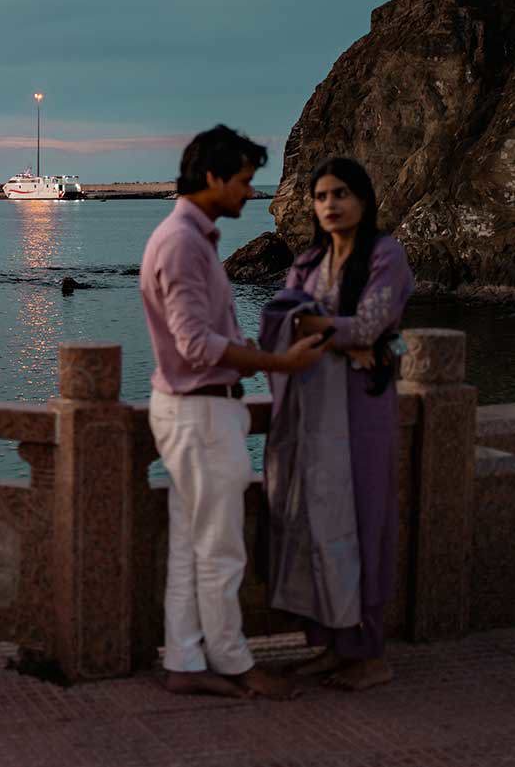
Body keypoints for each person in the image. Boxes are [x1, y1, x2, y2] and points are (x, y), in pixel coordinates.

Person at [139, 125, 327, 700]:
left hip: (190, 409)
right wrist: (280, 362)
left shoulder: (191, 239)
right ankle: (234, 662)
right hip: (199, 411)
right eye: (245, 181)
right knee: (221, 547)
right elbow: (197, 346)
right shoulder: (182, 244)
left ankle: (186, 661)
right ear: (215, 178)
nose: (252, 193)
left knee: (192, 543)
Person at [280, 157, 414, 691]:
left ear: (363, 199)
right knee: (319, 519)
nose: (330, 204)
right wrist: (344, 341)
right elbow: (282, 323)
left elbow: (370, 324)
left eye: (341, 194)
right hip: (316, 408)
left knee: (363, 518)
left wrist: (321, 329)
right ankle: (332, 646)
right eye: (321, 196)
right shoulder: (309, 261)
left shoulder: (386, 256)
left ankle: (369, 651)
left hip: (363, 408)